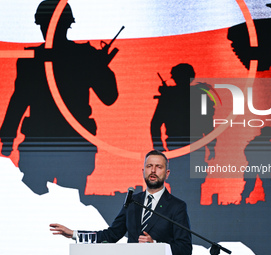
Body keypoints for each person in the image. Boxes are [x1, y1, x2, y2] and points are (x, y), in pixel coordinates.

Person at [0, 0, 118, 204]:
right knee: (67, 207)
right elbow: (109, 97)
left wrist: (8, 139)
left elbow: (18, 102)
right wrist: (100, 66)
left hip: (44, 145)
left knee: (38, 205)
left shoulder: (32, 59)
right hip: (71, 144)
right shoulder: (84, 56)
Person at [50, 150, 192, 255]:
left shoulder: (176, 206)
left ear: (167, 173)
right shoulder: (133, 202)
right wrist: (74, 234)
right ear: (143, 171)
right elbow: (111, 235)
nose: (153, 171)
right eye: (149, 166)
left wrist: (155, 245)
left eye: (158, 167)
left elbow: (185, 248)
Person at [241, 126, 271, 203]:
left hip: (262, 166)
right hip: (255, 165)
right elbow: (247, 151)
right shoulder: (258, 142)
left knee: (266, 184)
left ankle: (269, 201)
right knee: (251, 183)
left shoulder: (264, 143)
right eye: (270, 134)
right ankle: (243, 199)